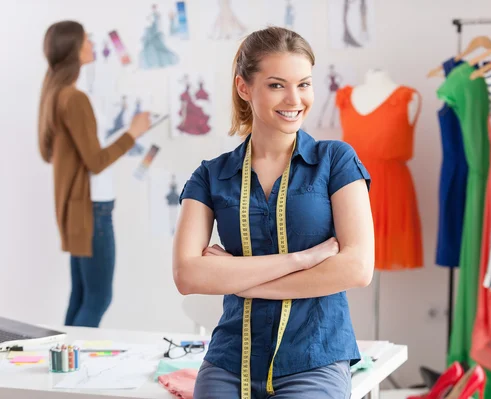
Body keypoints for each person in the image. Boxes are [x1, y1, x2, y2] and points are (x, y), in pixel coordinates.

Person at [173, 26, 375, 399]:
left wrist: (236, 278)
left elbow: (357, 268)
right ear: (244, 87)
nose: (295, 98)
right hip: (231, 359)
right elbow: (188, 275)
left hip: (314, 358)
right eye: (277, 85)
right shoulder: (210, 175)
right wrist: (305, 259)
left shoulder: (337, 161)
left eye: (304, 84)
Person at [38, 20, 151, 327]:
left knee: (82, 295)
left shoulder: (57, 94)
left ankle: (61, 365)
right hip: (93, 210)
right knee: (99, 298)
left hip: (81, 208)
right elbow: (96, 161)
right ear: (74, 49)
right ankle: (67, 368)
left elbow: (57, 152)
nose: (90, 44)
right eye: (85, 40)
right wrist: (133, 133)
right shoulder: (73, 98)